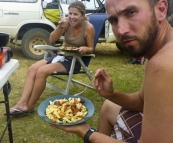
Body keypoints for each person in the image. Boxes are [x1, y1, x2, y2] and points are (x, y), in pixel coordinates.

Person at [52, 0, 173, 142]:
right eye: (114, 20)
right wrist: (111, 94)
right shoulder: (158, 53)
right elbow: (142, 101)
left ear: (161, 9)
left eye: (131, 12)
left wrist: (88, 133)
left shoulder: (164, 63)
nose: (121, 31)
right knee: (110, 105)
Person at [6, 1, 95, 117]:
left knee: (41, 71)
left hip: (75, 60)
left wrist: (84, 49)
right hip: (61, 55)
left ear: (83, 16)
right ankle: (21, 103)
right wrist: (60, 27)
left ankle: (29, 106)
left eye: (76, 14)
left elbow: (91, 48)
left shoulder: (88, 28)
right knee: (32, 68)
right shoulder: (67, 24)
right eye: (70, 14)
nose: (72, 17)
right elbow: (52, 39)